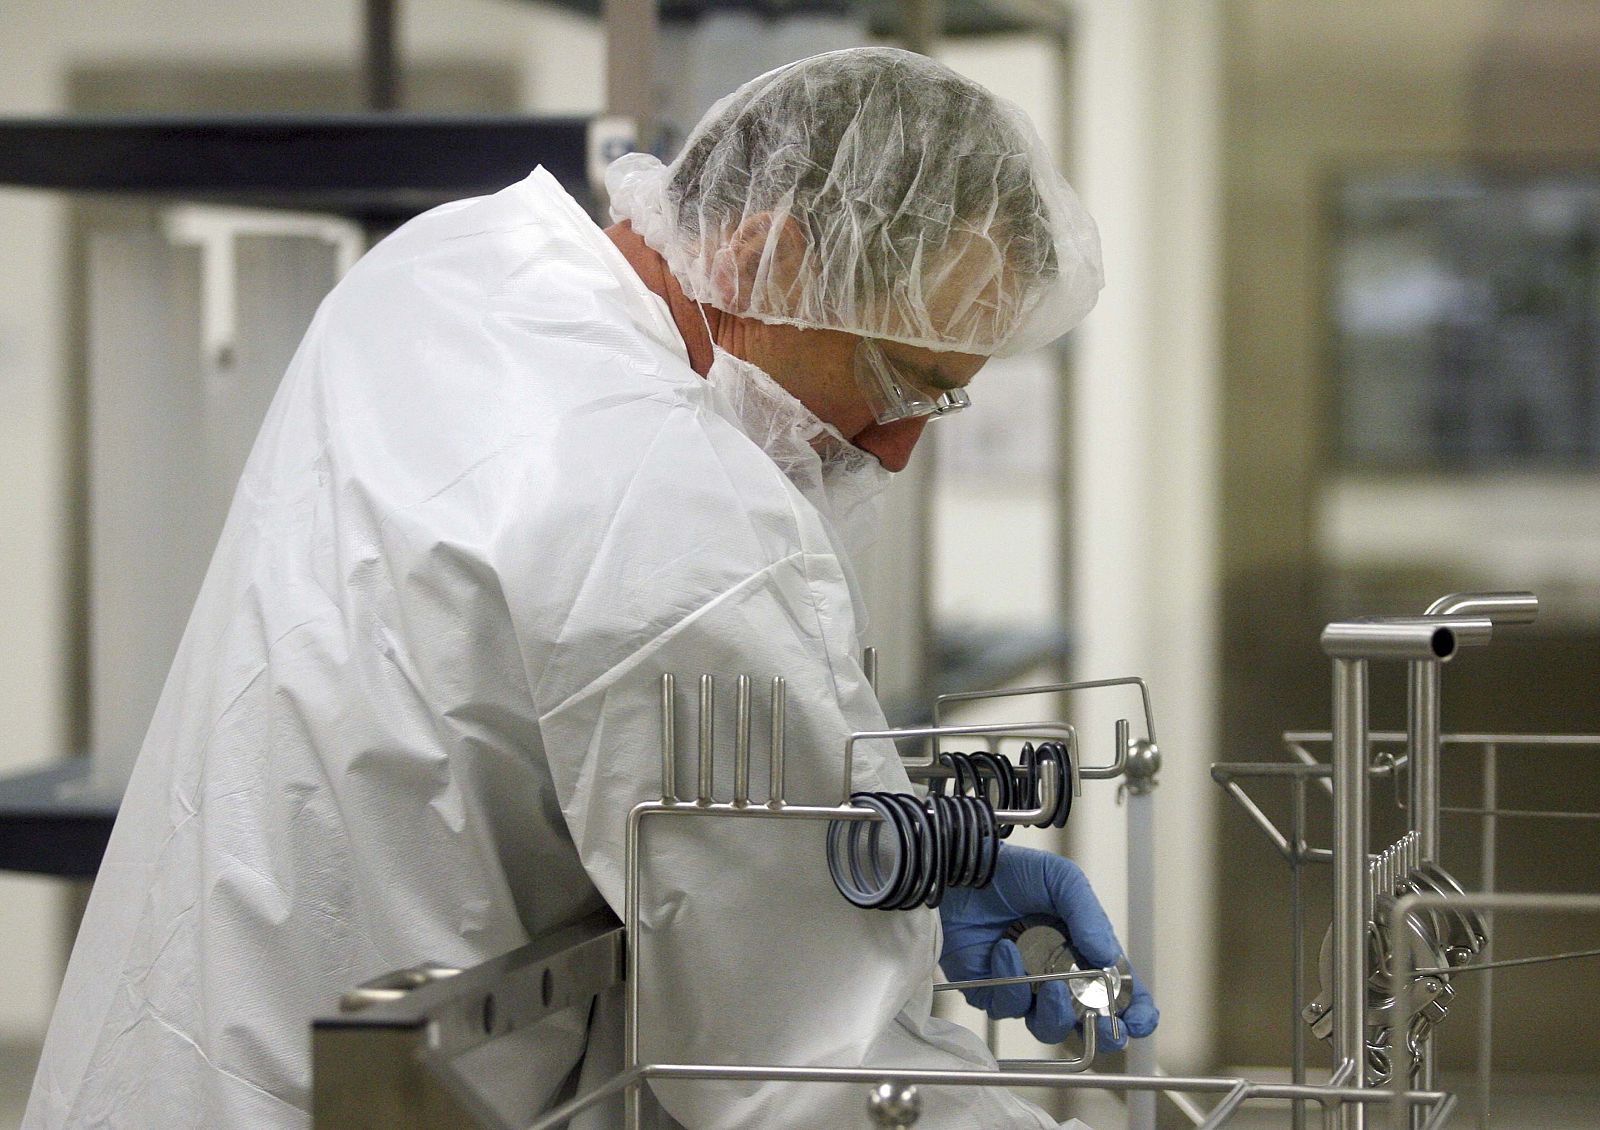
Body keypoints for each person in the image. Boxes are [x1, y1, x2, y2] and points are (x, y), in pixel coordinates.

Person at [25, 47, 1154, 1130]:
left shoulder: (454, 263)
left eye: (942, 400)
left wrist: (897, 873)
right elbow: (810, 1076)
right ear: (769, 255)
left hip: (160, 1066)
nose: (897, 449)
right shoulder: (686, 517)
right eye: (901, 376)